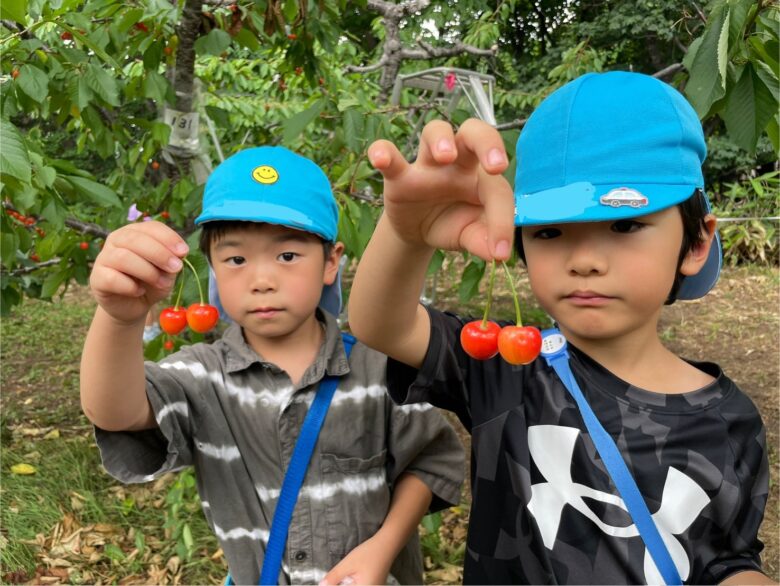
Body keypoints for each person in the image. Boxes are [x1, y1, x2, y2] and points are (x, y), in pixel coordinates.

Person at [348, 71, 770, 585]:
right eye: (550, 231)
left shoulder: (732, 423)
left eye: (625, 224)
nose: (585, 260)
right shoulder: (506, 366)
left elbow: (725, 556)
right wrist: (405, 234)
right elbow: (380, 324)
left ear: (697, 242)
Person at [80, 146, 464, 585]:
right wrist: (118, 318)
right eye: (236, 259)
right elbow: (116, 412)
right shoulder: (203, 377)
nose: (262, 280)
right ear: (212, 270)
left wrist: (383, 547)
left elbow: (430, 461)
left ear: (331, 261)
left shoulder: (380, 367)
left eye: (287, 256)